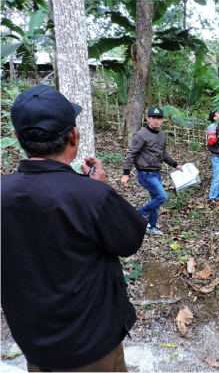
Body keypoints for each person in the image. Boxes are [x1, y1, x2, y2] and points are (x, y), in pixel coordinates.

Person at [0, 85, 147, 372]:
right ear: (73, 136)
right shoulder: (92, 197)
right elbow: (130, 240)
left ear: (19, 137)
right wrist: (96, 190)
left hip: (34, 344)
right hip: (91, 348)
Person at [121, 107, 183, 235]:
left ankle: (151, 226)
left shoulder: (162, 135)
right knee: (162, 196)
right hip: (145, 174)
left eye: (159, 118)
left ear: (163, 120)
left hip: (156, 173)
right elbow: (130, 154)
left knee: (156, 199)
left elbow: (163, 153)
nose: (156, 121)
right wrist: (126, 174)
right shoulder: (141, 135)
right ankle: (137, 215)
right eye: (153, 118)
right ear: (148, 118)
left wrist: (175, 164)